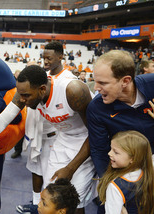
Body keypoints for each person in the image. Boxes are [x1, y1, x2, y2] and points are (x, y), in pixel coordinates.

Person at [0, 64, 96, 213]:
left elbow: (96, 134)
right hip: (63, 138)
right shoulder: (26, 91)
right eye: (20, 94)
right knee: (51, 196)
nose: (22, 100)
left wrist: (71, 168)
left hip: (86, 141)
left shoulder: (73, 91)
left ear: (42, 90)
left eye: (26, 96)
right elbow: (2, 120)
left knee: (77, 202)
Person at [86, 50, 154, 214]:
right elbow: (99, 150)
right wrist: (109, 188)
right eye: (95, 81)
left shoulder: (152, 84)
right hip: (125, 173)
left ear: (125, 81)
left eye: (103, 83)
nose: (96, 88)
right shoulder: (97, 109)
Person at [17, 41, 77, 214]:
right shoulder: (41, 80)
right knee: (38, 172)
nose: (46, 61)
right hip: (47, 135)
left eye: (49, 58)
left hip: (60, 138)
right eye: (43, 58)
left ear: (60, 57)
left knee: (58, 187)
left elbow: (92, 127)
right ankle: (38, 205)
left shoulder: (69, 85)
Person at [97, 130, 154, 214]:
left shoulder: (115, 187)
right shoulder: (147, 173)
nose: (109, 153)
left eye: (116, 152)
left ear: (133, 158)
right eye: (111, 149)